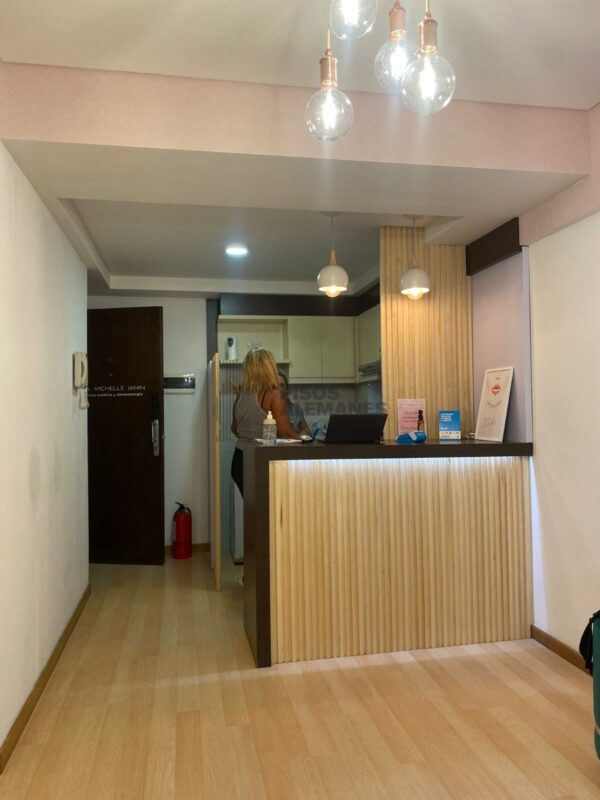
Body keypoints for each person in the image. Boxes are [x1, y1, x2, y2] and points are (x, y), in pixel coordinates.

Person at [231, 349, 299, 498]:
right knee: (266, 508)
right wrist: (304, 438)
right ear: (269, 367)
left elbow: (234, 429)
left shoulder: (242, 393)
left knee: (251, 507)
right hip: (259, 459)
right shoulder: (273, 393)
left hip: (239, 458)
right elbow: (285, 432)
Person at [278, 372, 311, 436]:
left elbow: (307, 432)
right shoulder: (265, 409)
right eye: (275, 385)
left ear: (286, 389)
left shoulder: (295, 409)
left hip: (294, 442)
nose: (278, 388)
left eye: (281, 385)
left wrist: (303, 434)